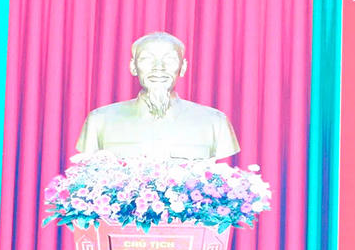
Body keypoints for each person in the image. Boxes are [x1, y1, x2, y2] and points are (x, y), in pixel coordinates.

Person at [75, 31, 240, 161]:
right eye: (147, 59)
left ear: (183, 67)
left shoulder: (215, 122)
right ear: (133, 67)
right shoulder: (100, 120)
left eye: (169, 59)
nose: (159, 67)